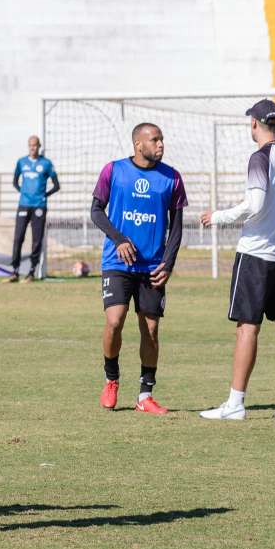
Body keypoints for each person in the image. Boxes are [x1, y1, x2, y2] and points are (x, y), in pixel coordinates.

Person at [199, 99, 275, 420]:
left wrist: (218, 216)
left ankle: (235, 404)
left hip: (256, 255)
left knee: (247, 328)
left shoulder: (260, 158)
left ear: (254, 123)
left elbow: (255, 204)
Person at [91, 123, 186, 414]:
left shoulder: (172, 178)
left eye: (162, 139)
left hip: (152, 267)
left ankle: (145, 396)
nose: (160, 145)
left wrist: (167, 264)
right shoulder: (114, 171)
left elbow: (177, 227)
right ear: (138, 144)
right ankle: (111, 379)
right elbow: (96, 211)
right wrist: (119, 239)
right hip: (118, 262)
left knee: (151, 330)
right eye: (154, 140)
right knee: (114, 321)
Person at [4, 135, 59, 283]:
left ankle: (31, 272)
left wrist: (44, 196)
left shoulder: (46, 164)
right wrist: (23, 193)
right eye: (30, 145)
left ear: (39, 146)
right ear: (28, 146)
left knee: (36, 240)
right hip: (24, 204)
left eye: (35, 145)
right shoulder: (21, 162)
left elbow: (56, 185)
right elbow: (15, 181)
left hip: (39, 206)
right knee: (18, 237)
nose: (32, 148)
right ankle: (14, 272)